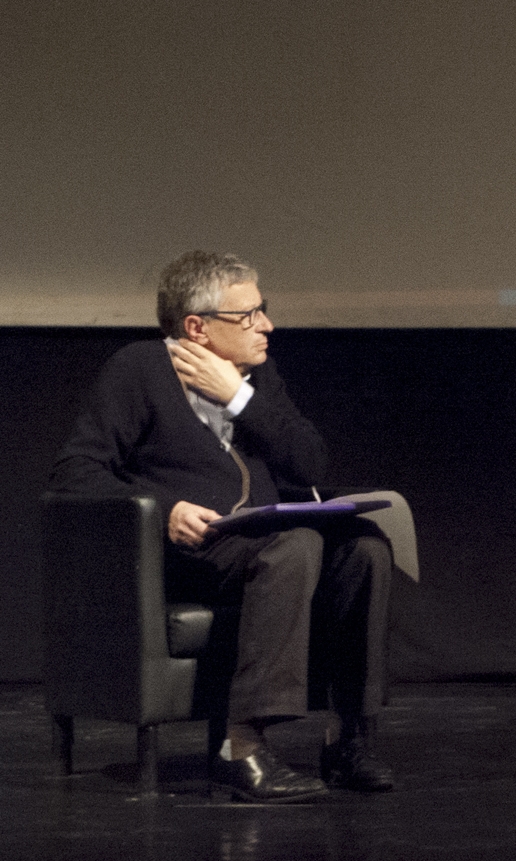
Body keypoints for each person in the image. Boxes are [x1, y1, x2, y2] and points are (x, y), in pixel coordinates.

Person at [50, 251, 396, 802]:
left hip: (260, 542)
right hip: (190, 551)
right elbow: (75, 473)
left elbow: (310, 463)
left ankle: (347, 738)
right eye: (249, 315)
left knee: (365, 550)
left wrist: (239, 398)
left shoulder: (259, 378)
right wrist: (166, 510)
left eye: (264, 310)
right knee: (295, 546)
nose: (267, 325)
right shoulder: (140, 370)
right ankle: (239, 748)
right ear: (197, 327)